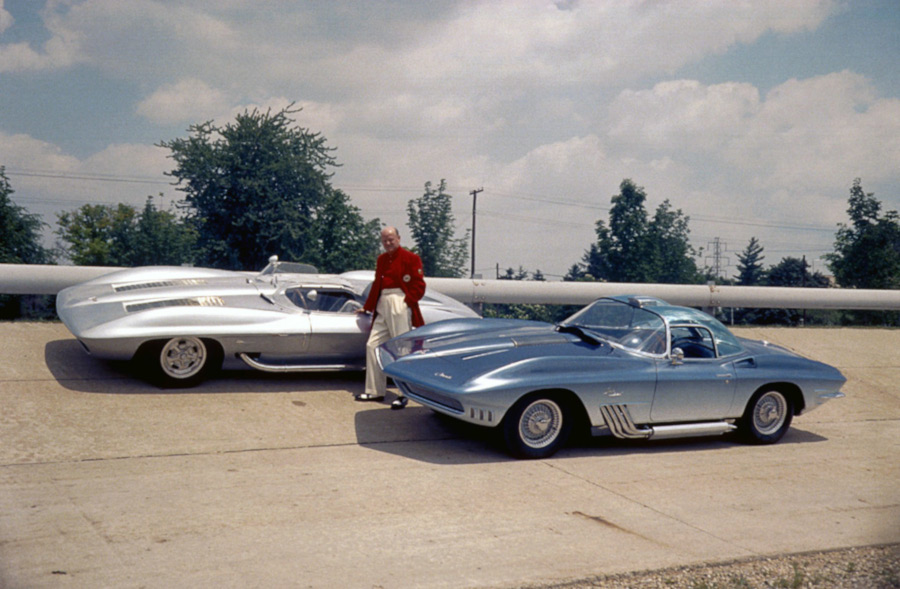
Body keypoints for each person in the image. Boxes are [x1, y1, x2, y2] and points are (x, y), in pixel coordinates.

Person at [355, 226, 425, 409]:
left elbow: (419, 285)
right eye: (384, 240)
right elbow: (378, 285)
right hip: (382, 303)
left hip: (399, 302)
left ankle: (404, 393)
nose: (387, 243)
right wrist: (367, 307)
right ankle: (375, 391)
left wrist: (406, 302)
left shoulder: (411, 258)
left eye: (391, 239)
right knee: (373, 345)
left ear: (399, 238)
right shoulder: (381, 259)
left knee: (401, 348)